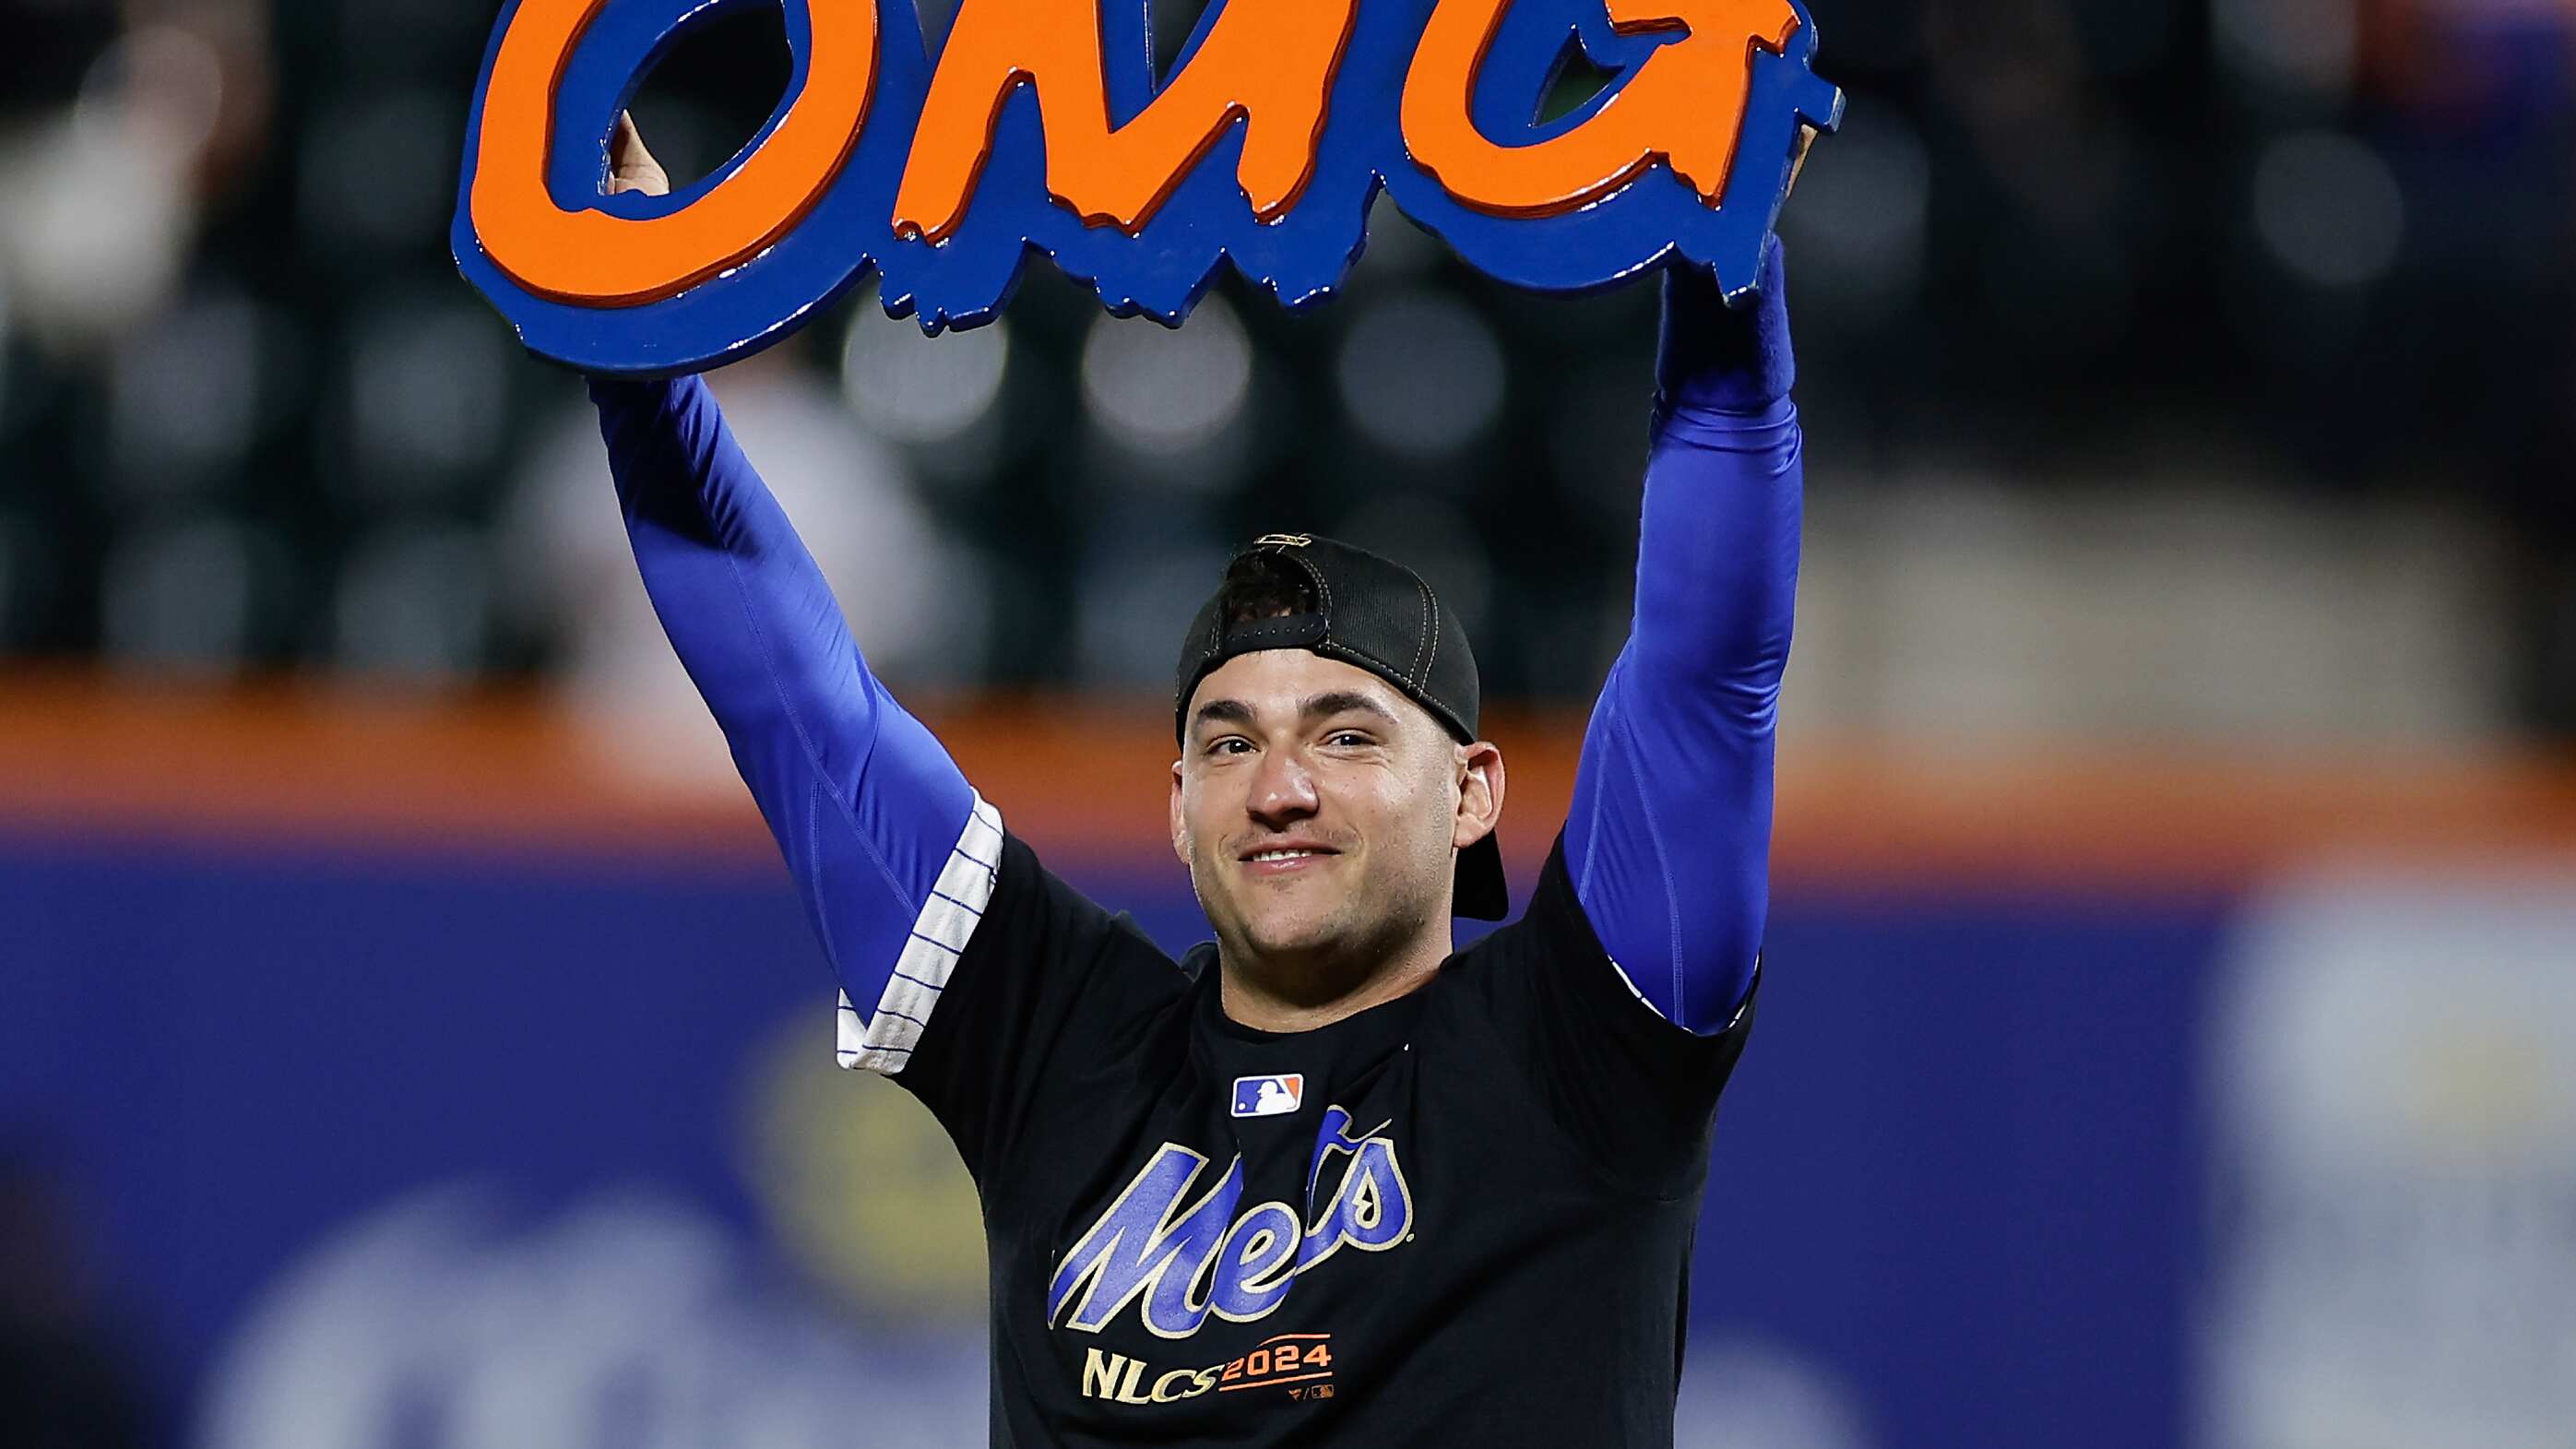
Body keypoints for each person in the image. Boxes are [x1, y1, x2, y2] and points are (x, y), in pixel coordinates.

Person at [592, 114, 1804, 1447]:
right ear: (1176, 808)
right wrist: (640, 361)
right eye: (1228, 742)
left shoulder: (1577, 1045)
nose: (1276, 786)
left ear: (1470, 794)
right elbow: (793, 701)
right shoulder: (1062, 1043)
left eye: (1345, 736)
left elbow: (1706, 665)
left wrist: (1724, 269)